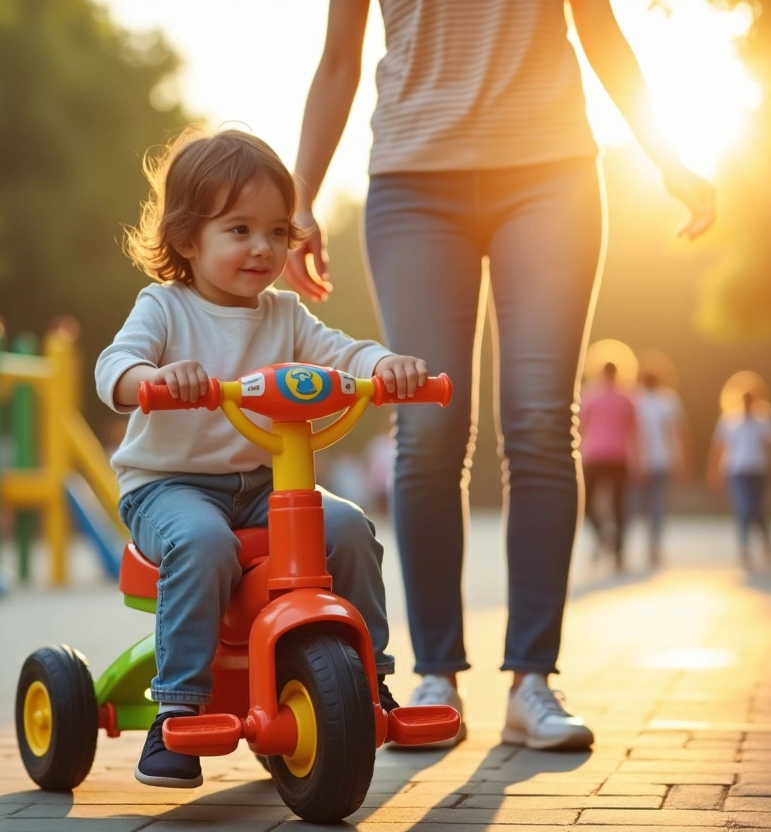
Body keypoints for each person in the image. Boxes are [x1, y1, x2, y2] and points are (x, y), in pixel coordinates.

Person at [287, 0, 716, 750]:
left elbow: (601, 31)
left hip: (551, 172)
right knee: (426, 425)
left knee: (543, 420)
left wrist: (669, 159)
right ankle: (435, 679)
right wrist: (299, 198)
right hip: (413, 178)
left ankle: (533, 681)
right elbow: (336, 61)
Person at [95, 126, 429, 788]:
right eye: (240, 229)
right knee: (202, 540)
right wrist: (153, 381)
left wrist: (385, 366)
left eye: (278, 232)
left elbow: (344, 352)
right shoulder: (164, 308)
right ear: (189, 239)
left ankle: (370, 682)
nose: (263, 248)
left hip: (262, 485)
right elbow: (114, 368)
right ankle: (176, 708)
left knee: (350, 530)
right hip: (169, 488)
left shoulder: (287, 316)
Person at [706, 390, 771, 568]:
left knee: (759, 510)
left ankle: (767, 543)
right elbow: (718, 449)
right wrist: (713, 473)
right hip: (737, 472)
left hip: (759, 473)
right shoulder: (729, 421)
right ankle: (744, 549)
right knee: (744, 509)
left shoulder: (763, 421)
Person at [578, 362, 637, 570]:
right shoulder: (628, 397)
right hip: (619, 456)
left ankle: (603, 534)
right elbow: (633, 431)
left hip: (594, 455)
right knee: (619, 505)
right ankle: (618, 552)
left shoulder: (589, 395)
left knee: (586, 502)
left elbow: (580, 426)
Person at [633, 368, 691, 566]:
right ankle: (653, 546)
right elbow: (679, 434)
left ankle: (641, 546)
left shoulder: (636, 399)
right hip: (661, 461)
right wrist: (682, 462)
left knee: (638, 506)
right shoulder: (668, 400)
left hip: (644, 462)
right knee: (655, 507)